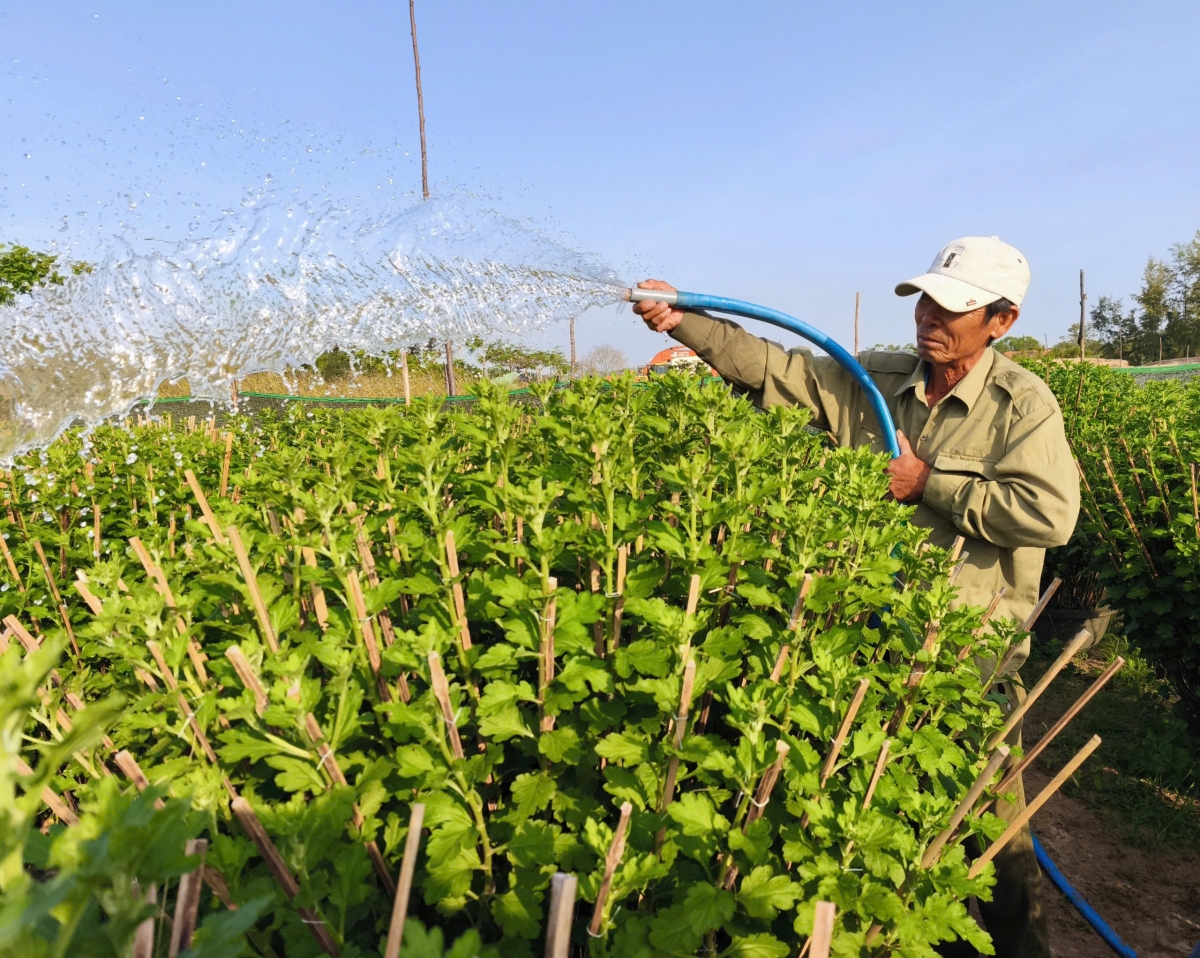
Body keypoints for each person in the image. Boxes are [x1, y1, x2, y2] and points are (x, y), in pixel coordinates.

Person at [633, 236, 1079, 958]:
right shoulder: (876, 377)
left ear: (1002, 321)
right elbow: (778, 372)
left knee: (988, 831)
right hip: (861, 643)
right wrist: (686, 321)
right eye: (928, 298)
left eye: (955, 308)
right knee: (859, 803)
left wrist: (927, 483)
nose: (930, 316)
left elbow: (1050, 514)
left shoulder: (1021, 404)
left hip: (965, 659)